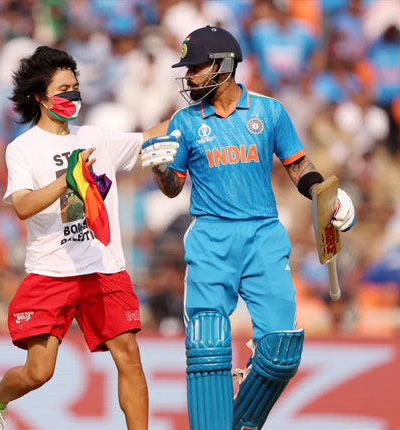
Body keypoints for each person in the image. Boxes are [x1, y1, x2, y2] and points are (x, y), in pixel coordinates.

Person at [152, 26, 356, 430]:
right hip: (211, 236)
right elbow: (173, 187)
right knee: (208, 341)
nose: (189, 76)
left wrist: (327, 196)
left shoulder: (269, 111)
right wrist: (161, 169)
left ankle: (238, 422)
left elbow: (298, 166)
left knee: (281, 349)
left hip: (264, 234)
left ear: (224, 65)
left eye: (195, 67)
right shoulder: (184, 121)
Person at [0, 46, 177, 430]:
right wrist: (67, 180)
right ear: (40, 97)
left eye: (75, 87)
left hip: (103, 267)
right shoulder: (22, 149)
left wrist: (203, 108)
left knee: (129, 357)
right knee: (38, 372)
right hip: (51, 271)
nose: (72, 95)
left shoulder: (97, 137)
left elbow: (152, 135)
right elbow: (23, 206)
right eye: (63, 89)